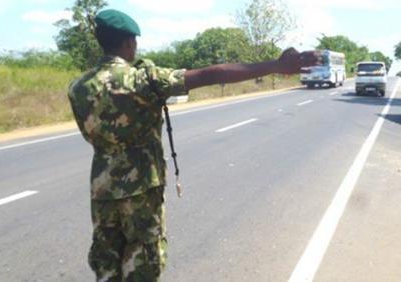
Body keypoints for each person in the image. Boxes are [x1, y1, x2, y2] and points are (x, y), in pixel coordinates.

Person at [68, 9, 320, 282]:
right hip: (141, 186)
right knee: (142, 261)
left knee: (107, 261)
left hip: (101, 188)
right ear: (129, 43)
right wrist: (275, 65)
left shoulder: (78, 87)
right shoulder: (143, 80)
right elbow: (210, 75)